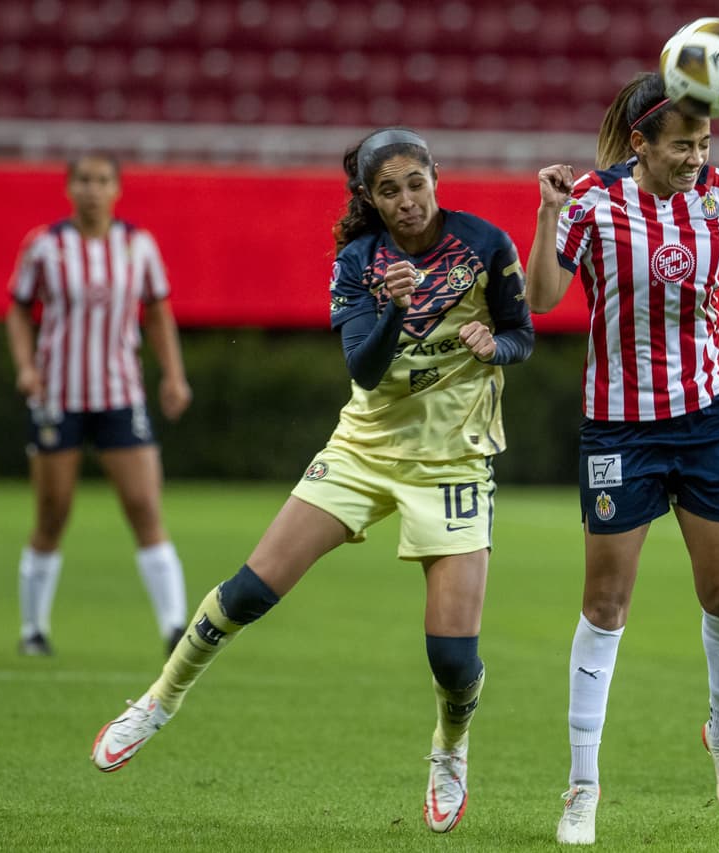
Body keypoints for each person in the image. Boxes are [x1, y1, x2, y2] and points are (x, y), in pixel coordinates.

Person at [89, 127, 534, 835]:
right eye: (389, 189)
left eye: (416, 182)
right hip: (363, 450)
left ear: (434, 178)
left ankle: (450, 748)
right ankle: (157, 701)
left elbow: (522, 332)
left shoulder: (486, 244)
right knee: (248, 591)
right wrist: (393, 306)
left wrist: (496, 343)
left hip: (453, 460)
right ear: (369, 198)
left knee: (453, 659)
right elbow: (363, 368)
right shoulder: (359, 261)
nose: (407, 199)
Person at [526, 73, 719, 844]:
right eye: (683, 145)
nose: (697, 157)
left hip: (707, 420)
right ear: (642, 143)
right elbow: (542, 298)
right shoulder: (591, 201)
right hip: (618, 430)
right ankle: (582, 786)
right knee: (605, 605)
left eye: (705, 143)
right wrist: (548, 213)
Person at [6, 152, 193, 659]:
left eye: (102, 180)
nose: (92, 189)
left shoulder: (138, 246)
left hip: (119, 394)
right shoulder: (46, 246)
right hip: (57, 397)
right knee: (52, 512)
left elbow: (157, 311)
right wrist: (26, 366)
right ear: (69, 188)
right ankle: (33, 630)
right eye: (83, 180)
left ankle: (176, 627)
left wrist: (173, 375)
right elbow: (19, 310)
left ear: (117, 189)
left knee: (144, 507)